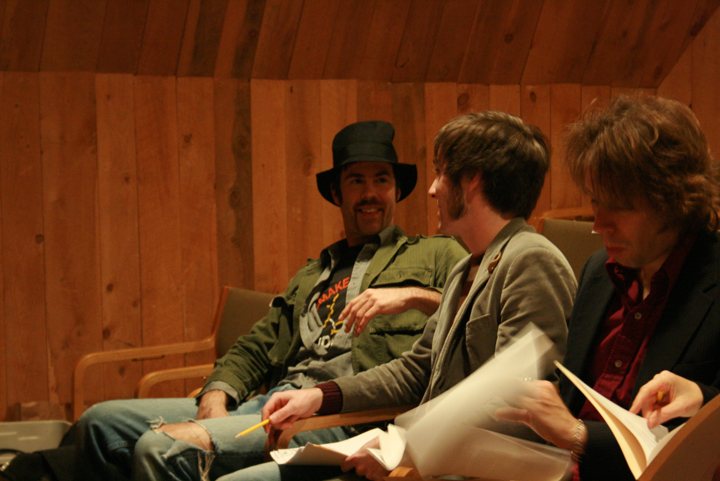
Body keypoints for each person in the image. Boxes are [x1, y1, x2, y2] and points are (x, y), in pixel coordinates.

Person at [72, 121, 468, 481]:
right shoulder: (312, 275)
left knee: (161, 448)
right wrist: (216, 394)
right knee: (99, 423)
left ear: (397, 189)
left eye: (381, 179)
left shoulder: (436, 254)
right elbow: (257, 345)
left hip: (342, 415)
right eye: (356, 181)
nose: (370, 193)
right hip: (273, 402)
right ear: (336, 192)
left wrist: (414, 295)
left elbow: (472, 311)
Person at [259, 111, 576, 481]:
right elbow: (416, 371)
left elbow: (517, 405)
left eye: (441, 173)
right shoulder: (465, 269)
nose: (432, 189)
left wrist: (404, 451)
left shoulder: (531, 259)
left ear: (472, 181)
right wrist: (320, 396)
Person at [495, 95, 720, 481]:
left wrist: (577, 435)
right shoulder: (598, 271)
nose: (598, 225)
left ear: (675, 200)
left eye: (621, 206)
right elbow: (572, 405)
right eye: (596, 201)